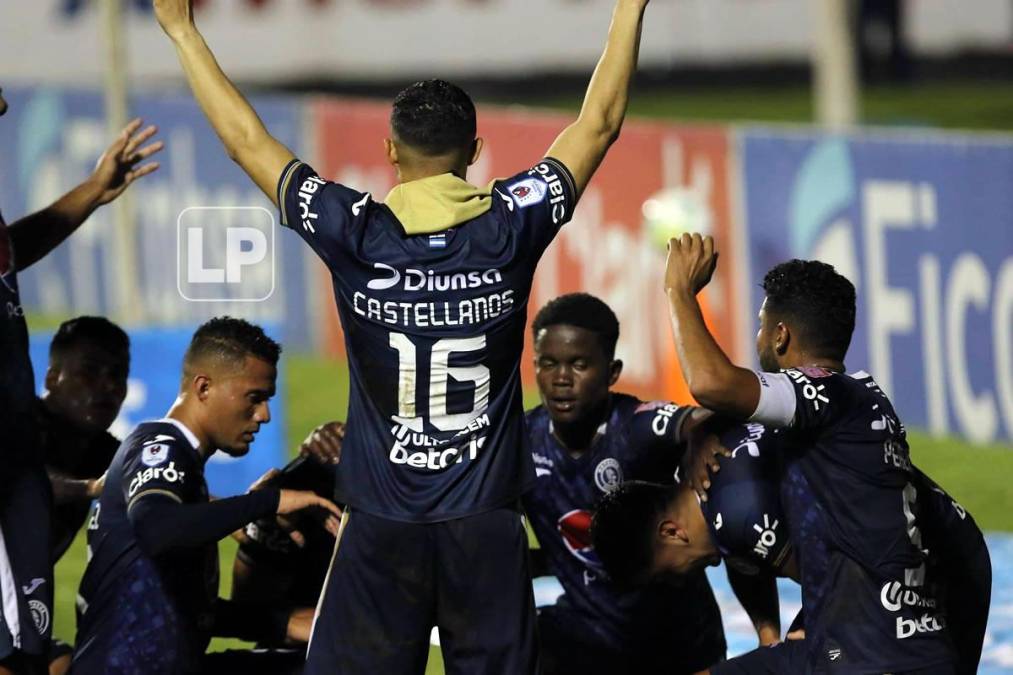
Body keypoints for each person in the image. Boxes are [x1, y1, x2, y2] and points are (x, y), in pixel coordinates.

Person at [153, 0, 651, 670]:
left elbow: (246, 141)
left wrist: (182, 32)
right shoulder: (511, 228)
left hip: (382, 526)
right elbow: (599, 122)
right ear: (474, 152)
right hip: (485, 527)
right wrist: (629, 7)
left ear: (389, 152)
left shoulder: (352, 231)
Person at [663, 240, 976, 672]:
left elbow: (711, 382)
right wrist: (702, 428)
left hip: (872, 656)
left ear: (780, 335)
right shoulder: (854, 407)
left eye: (760, 326)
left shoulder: (823, 392)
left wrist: (679, 291)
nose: (756, 339)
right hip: (855, 641)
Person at [592, 422, 991, 675]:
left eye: (664, 572)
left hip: (938, 567)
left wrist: (807, 642)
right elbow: (746, 559)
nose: (678, 581)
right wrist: (770, 635)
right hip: (932, 548)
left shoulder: (740, 515)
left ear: (671, 532)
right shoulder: (705, 482)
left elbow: (856, 590)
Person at [71, 317, 341, 674]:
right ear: (203, 388)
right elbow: (157, 530)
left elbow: (174, 607)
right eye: (254, 398)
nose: (264, 415)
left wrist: (283, 623)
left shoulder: (183, 468)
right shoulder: (159, 447)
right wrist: (270, 501)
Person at [0, 82, 162, 675]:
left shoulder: (104, 449)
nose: (4, 105)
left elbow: (13, 248)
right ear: (54, 373)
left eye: (114, 376)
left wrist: (93, 192)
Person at [523, 293, 727, 674]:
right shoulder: (522, 442)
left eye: (578, 364)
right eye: (547, 364)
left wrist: (698, 438)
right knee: (513, 637)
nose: (561, 379)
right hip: (588, 636)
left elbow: (695, 419)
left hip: (677, 642)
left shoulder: (633, 427)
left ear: (612, 372)